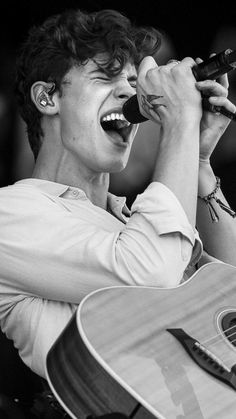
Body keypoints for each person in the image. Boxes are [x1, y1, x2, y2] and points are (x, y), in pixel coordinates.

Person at [0, 7, 236, 381]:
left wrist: (199, 161)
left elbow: (230, 291)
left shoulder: (132, 223)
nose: (130, 90)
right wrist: (179, 124)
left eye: (131, 80)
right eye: (105, 77)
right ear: (48, 98)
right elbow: (149, 272)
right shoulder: (9, 213)